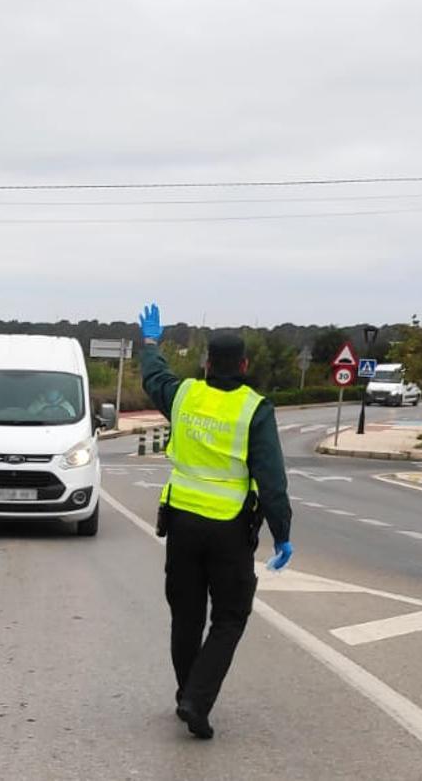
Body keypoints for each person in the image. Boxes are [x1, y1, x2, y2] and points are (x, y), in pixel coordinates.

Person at [138, 304, 293, 740]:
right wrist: (282, 534)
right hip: (229, 531)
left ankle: (186, 693)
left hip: (182, 525)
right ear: (244, 366)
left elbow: (154, 377)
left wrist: (151, 343)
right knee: (229, 617)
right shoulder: (254, 409)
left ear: (206, 363)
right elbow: (272, 480)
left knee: (185, 616)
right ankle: (196, 700)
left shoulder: (185, 394)